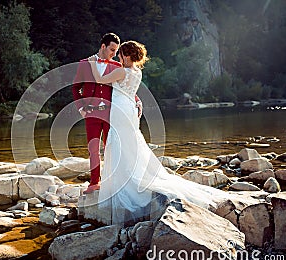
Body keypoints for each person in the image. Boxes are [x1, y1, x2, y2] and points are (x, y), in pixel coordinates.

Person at [88, 40, 228, 226]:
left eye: (121, 54)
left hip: (121, 111)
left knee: (120, 143)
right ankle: (131, 174)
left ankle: (124, 182)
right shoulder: (137, 72)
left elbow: (99, 79)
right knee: (131, 142)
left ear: (127, 55)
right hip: (129, 110)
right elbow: (130, 91)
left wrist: (92, 63)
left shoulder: (122, 71)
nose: (119, 57)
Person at [72, 33, 142, 194]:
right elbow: (76, 88)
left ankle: (112, 181)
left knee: (111, 147)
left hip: (112, 113)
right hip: (92, 113)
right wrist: (81, 108)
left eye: (117, 51)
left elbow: (125, 87)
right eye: (112, 50)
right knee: (93, 148)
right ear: (103, 46)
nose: (114, 54)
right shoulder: (84, 64)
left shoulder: (118, 67)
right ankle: (94, 182)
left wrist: (137, 99)